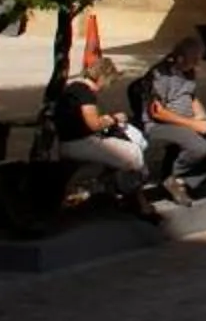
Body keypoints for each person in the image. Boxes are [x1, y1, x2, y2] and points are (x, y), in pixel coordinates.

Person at [52, 51, 149, 208]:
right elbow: (93, 124)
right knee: (134, 154)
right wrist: (114, 119)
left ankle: (107, 191)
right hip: (79, 143)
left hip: (70, 142)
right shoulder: (85, 93)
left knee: (117, 156)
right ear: (103, 78)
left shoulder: (73, 88)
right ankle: (134, 199)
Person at [142, 38, 206, 202]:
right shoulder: (161, 75)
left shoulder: (188, 71)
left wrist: (204, 118)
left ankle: (181, 182)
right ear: (181, 58)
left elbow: (191, 97)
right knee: (198, 146)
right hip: (160, 124)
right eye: (195, 59)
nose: (198, 64)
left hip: (186, 121)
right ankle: (174, 179)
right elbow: (157, 112)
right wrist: (193, 124)